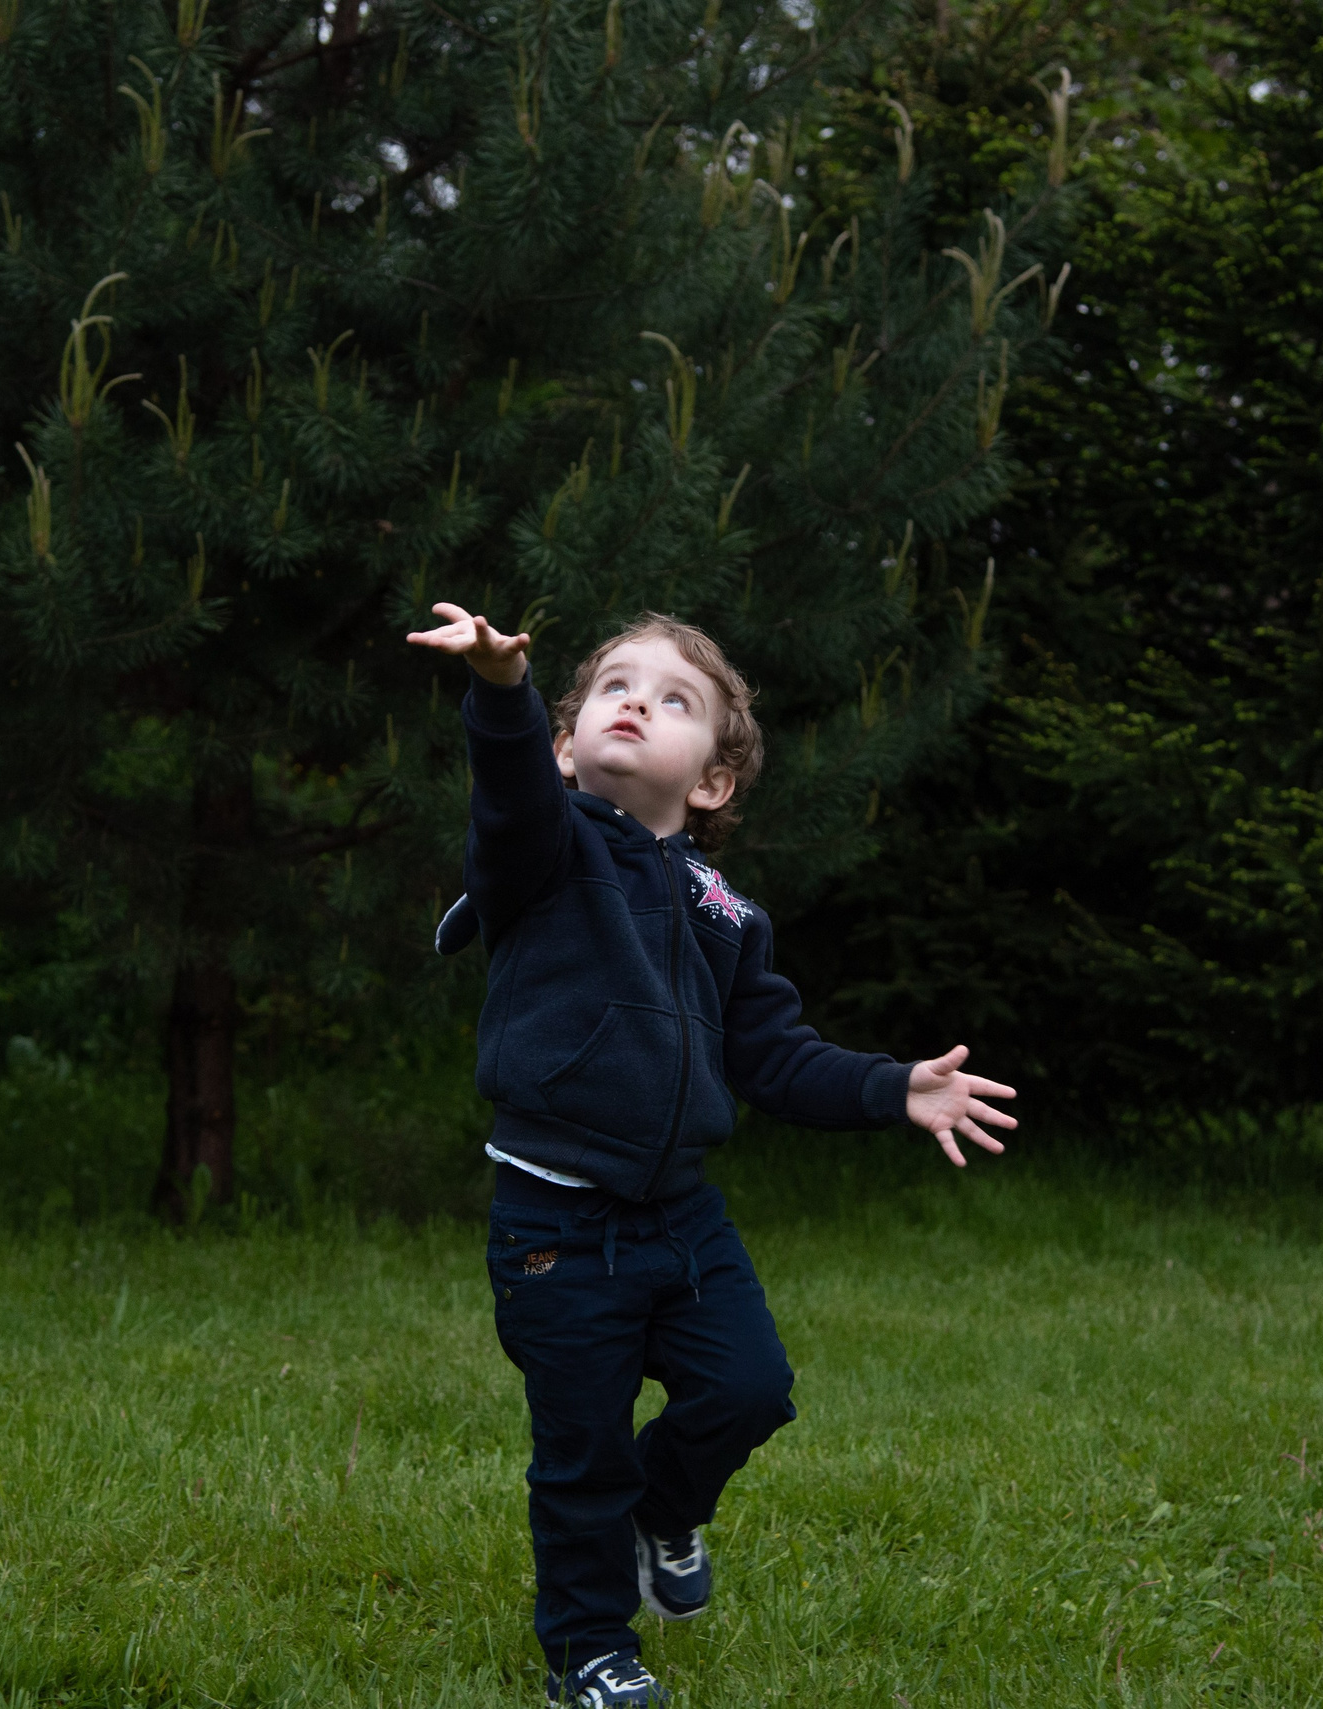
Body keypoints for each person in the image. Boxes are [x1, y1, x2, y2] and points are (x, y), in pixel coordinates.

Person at [406, 602, 1018, 1708]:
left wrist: (894, 1086)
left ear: (713, 784)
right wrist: (498, 689)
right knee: (580, 1454)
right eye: (612, 689)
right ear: (565, 744)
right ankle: (589, 1653)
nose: (636, 700)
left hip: (680, 1217)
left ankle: (666, 1507)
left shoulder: (728, 912)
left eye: (673, 698)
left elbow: (776, 1057)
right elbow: (504, 793)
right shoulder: (547, 849)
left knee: (750, 1386)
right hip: (556, 1226)